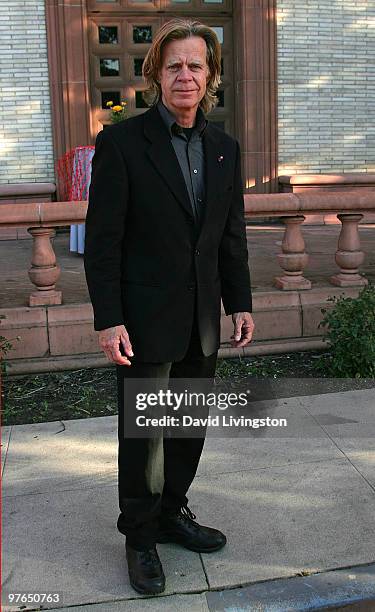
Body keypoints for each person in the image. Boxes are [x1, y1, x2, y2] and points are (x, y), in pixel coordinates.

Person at [84, 17, 254, 595]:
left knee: (186, 428)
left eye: (196, 66)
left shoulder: (225, 150)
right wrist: (109, 318)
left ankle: (171, 513)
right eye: (174, 65)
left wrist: (241, 304)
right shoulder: (123, 143)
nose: (185, 75)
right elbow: (103, 244)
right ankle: (139, 537)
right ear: (157, 73)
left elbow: (230, 236)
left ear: (212, 78)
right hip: (143, 321)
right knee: (145, 434)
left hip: (201, 321)